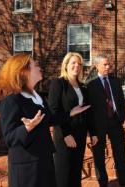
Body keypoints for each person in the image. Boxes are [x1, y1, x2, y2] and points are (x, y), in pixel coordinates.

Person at [0, 53, 87, 187]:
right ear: (24, 72)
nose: (39, 67)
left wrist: (70, 113)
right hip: (27, 169)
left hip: (44, 162)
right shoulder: (11, 100)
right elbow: (9, 138)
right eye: (35, 65)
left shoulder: (38, 97)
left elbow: (49, 119)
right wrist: (27, 128)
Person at [48, 52, 97, 187]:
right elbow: (54, 111)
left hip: (80, 136)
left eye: (79, 63)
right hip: (64, 136)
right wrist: (66, 134)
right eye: (73, 63)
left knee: (76, 175)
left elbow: (88, 111)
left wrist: (93, 132)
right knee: (63, 175)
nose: (77, 66)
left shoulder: (82, 87)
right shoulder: (58, 84)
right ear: (66, 65)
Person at [87, 55, 125, 187]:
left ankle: (124, 183)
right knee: (99, 157)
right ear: (97, 66)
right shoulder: (91, 84)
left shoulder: (115, 81)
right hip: (98, 126)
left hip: (115, 121)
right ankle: (103, 184)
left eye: (109, 64)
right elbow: (89, 110)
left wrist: (121, 117)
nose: (108, 67)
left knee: (120, 154)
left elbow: (121, 101)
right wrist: (92, 131)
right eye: (105, 65)